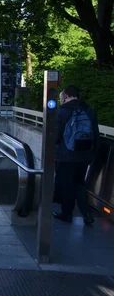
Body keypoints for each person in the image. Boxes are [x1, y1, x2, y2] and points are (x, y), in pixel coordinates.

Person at [53, 85, 99, 225]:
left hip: (67, 155)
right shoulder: (89, 109)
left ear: (66, 96)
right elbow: (95, 134)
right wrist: (92, 154)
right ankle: (86, 214)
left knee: (67, 185)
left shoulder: (63, 111)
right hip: (84, 154)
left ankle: (67, 214)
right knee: (80, 183)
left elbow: (56, 134)